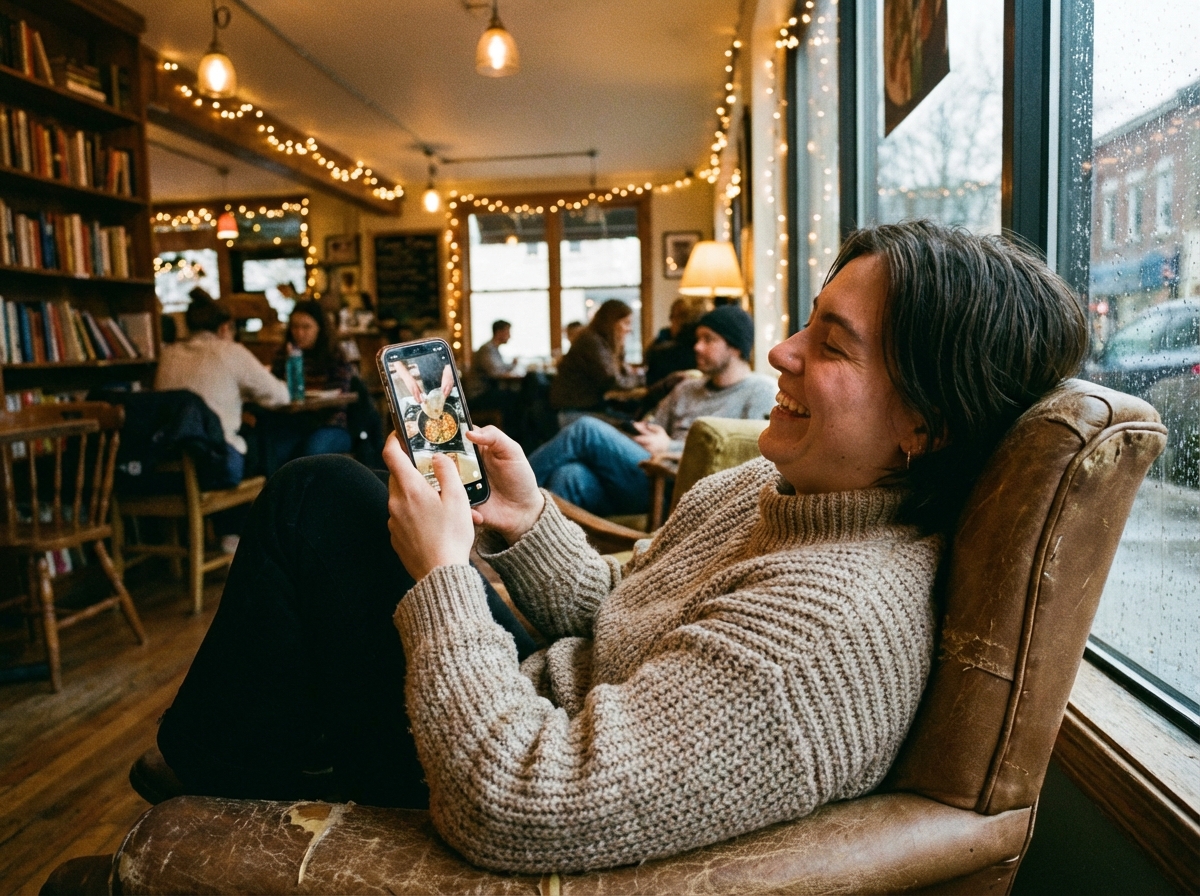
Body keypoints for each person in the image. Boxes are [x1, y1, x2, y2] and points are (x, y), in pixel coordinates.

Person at [149, 222, 1088, 875]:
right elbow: (630, 617)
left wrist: (442, 577)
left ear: (927, 422)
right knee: (334, 494)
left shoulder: (829, 635)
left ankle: (209, 800)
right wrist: (525, 522)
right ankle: (226, 770)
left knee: (318, 493)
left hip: (491, 763)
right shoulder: (771, 490)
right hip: (526, 697)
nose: (780, 355)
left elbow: (516, 804)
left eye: (830, 346)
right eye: (804, 321)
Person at [527, 305, 776, 516]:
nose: (697, 347)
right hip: (645, 477)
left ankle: (506, 490)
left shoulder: (760, 392)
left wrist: (670, 447)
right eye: (698, 339)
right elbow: (653, 423)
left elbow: (752, 461)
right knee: (569, 475)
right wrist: (643, 430)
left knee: (585, 428)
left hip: (681, 487)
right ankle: (539, 558)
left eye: (708, 340)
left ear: (735, 347)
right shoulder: (687, 388)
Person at [155, 289, 290, 489]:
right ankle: (270, 511)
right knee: (262, 439)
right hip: (212, 465)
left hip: (163, 467)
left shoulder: (168, 354)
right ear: (225, 328)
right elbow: (281, 397)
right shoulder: (229, 351)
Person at [264, 301, 355, 474]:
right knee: (273, 450)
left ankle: (309, 500)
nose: (299, 333)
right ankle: (282, 499)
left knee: (311, 452)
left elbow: (339, 396)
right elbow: (273, 389)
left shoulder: (334, 355)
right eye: (295, 327)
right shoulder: (284, 355)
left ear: (319, 328)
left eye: (306, 327)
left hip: (330, 424)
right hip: (294, 423)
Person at [550, 299, 643, 425]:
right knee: (633, 426)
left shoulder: (600, 342)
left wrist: (620, 347)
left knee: (635, 422)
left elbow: (622, 373)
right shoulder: (592, 342)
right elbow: (613, 380)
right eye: (626, 323)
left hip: (585, 409)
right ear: (612, 323)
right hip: (574, 413)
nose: (629, 329)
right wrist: (642, 378)